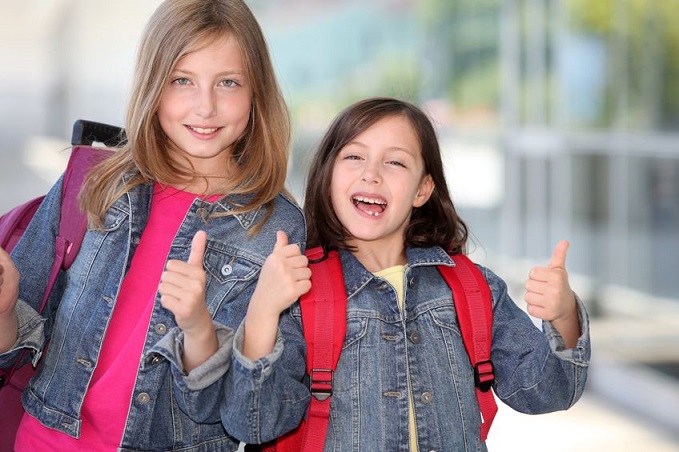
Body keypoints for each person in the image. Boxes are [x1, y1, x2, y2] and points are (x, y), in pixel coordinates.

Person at [0, 0, 311, 450]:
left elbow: (255, 422)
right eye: (182, 80)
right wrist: (7, 307)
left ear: (256, 93)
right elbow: (15, 347)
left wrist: (215, 325)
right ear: (153, 86)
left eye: (228, 82)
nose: (205, 107)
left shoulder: (275, 226)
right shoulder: (93, 180)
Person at [233, 97, 591, 450]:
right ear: (328, 175)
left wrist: (564, 317)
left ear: (423, 189)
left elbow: (545, 393)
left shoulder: (472, 287)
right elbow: (255, 422)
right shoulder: (299, 292)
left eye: (395, 162)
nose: (371, 174)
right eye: (354, 156)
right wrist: (263, 311)